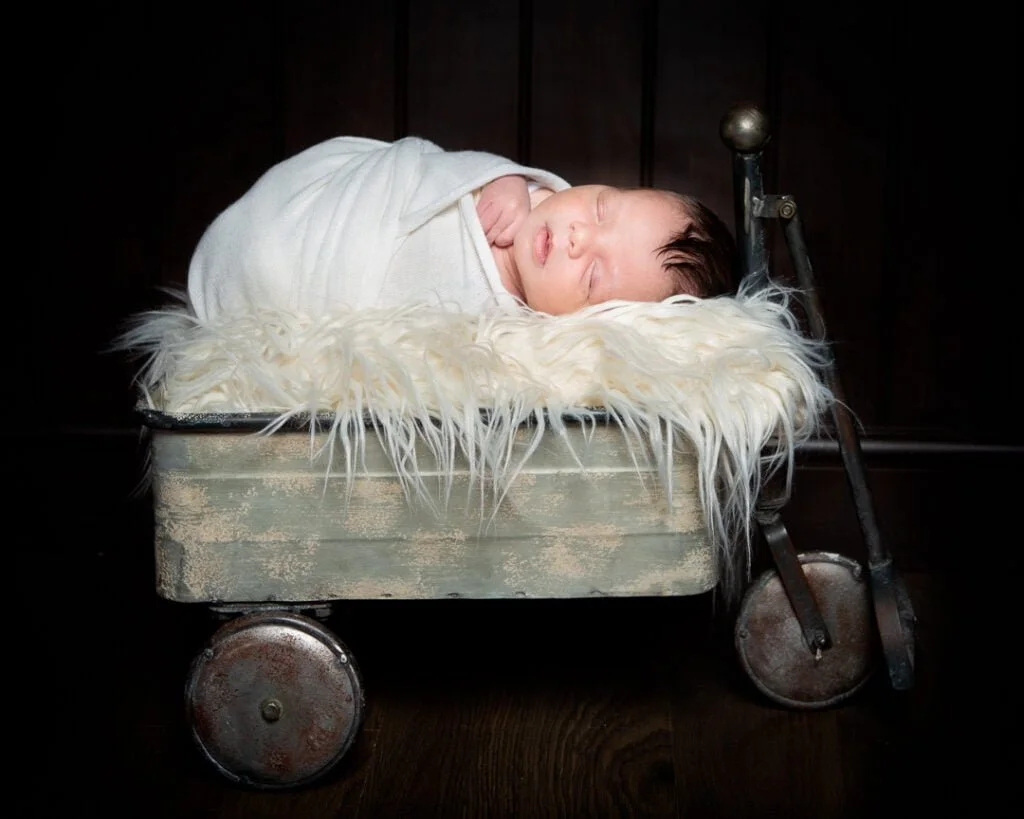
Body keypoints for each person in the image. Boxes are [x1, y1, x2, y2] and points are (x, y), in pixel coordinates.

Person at [186, 135, 736, 323]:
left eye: (592, 276)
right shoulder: (525, 195)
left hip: (325, 289)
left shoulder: (529, 328)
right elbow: (427, 170)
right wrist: (501, 177)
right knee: (264, 253)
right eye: (600, 209)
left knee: (273, 279)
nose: (576, 238)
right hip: (334, 216)